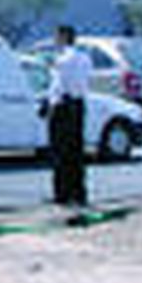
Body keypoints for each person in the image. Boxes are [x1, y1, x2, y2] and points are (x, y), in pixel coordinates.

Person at [47, 22, 91, 208]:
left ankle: (62, 194)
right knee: (76, 151)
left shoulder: (63, 59)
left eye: (57, 36)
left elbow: (60, 86)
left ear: (64, 37)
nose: (55, 40)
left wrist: (50, 105)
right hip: (78, 105)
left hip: (63, 106)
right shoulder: (84, 58)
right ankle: (78, 193)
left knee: (60, 152)